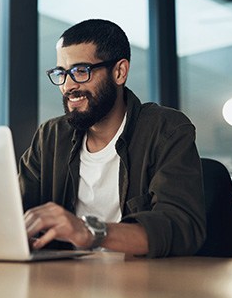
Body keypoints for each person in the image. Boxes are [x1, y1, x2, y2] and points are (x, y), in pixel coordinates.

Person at [19, 19, 206, 258]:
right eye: (61, 73)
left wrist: (90, 232)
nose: (67, 86)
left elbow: (181, 227)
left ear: (119, 72)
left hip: (141, 283)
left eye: (80, 71)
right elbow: (14, 209)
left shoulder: (166, 129)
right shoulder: (51, 136)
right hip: (64, 280)